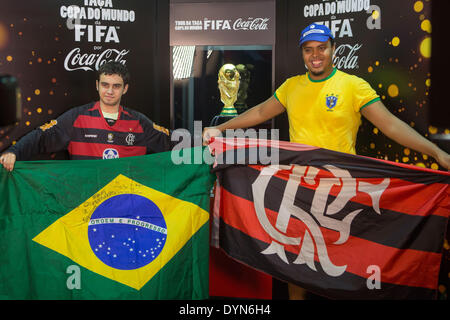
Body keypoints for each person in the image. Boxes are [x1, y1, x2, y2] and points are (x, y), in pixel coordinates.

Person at [203, 23, 450, 299]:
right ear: (302, 53)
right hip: (298, 188)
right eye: (308, 50)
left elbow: (390, 125)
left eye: (321, 48)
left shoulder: (352, 86)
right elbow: (261, 111)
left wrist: (435, 152)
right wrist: (222, 130)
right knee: (295, 260)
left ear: (333, 49)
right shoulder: (292, 86)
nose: (315, 55)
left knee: (343, 265)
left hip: (339, 192)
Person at [0, 61, 172, 171]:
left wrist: (198, 137)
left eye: (116, 86)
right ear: (97, 85)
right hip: (85, 205)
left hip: (126, 206)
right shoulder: (77, 118)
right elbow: (41, 136)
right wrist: (14, 152)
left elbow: (171, 140)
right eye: (105, 85)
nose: (110, 91)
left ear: (125, 88)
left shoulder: (138, 122)